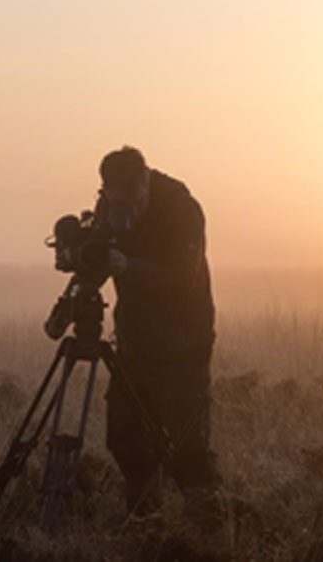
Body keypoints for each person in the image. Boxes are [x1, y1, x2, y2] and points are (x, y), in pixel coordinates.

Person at [96, 146, 222, 530]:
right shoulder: (109, 207)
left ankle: (207, 533)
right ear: (105, 191)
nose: (125, 210)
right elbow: (101, 256)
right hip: (134, 343)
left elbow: (184, 280)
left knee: (188, 445)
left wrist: (128, 267)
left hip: (183, 344)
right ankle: (144, 526)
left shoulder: (183, 210)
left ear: (144, 183)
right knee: (124, 438)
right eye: (115, 200)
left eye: (132, 200)